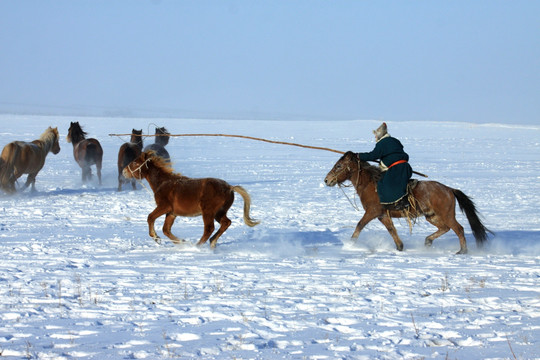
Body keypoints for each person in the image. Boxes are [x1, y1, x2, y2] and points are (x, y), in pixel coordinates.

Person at [358, 122, 413, 210]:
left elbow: (373, 155)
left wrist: (358, 156)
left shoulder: (382, 143)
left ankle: (397, 203)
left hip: (396, 169)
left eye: (375, 135)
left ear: (380, 135)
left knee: (383, 183)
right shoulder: (395, 141)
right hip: (405, 167)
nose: (375, 137)